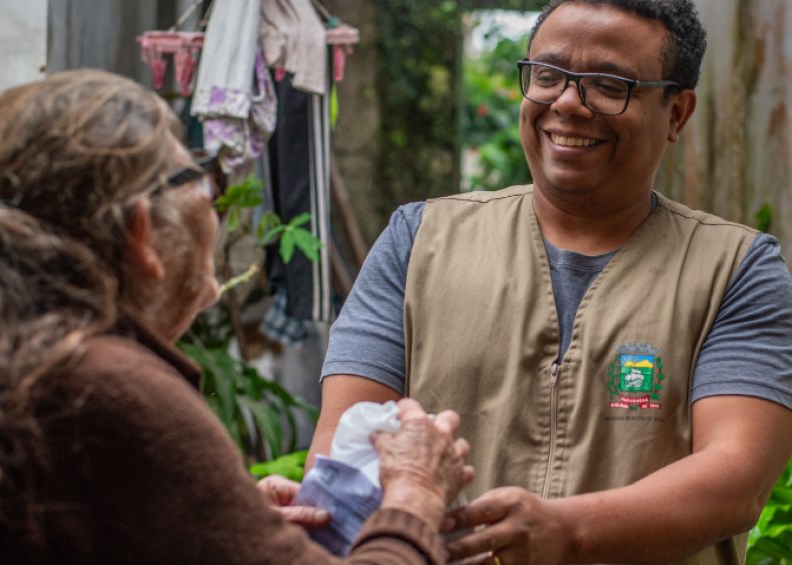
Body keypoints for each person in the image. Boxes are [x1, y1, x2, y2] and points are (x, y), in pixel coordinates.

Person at [0, 68, 474, 564]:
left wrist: (221, 524)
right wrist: (412, 498)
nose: (215, 199)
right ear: (143, 232)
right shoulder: (105, 385)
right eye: (200, 177)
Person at [308, 1, 792, 564]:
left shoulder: (735, 269)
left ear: (677, 113)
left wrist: (566, 529)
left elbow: (735, 482)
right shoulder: (418, 241)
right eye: (548, 75)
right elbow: (343, 447)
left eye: (610, 84)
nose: (567, 102)